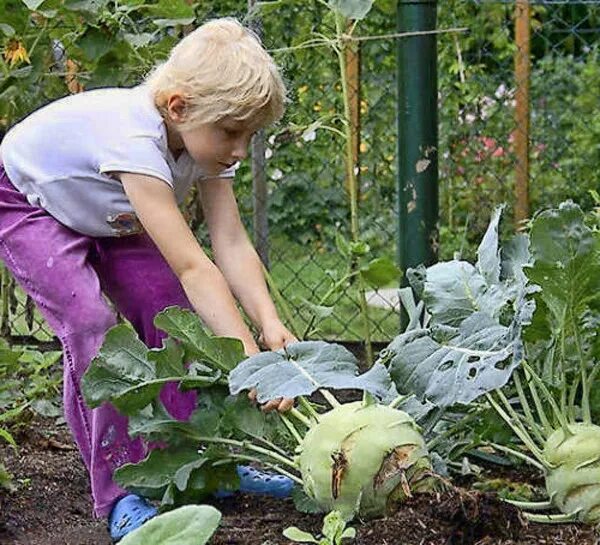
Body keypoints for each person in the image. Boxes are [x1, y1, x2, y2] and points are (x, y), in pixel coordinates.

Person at [0, 17, 296, 542]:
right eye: (231, 132)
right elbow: (194, 263)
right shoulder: (134, 140)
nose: (237, 149)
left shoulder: (202, 139)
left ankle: (202, 461)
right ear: (179, 107)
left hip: (105, 209)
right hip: (29, 201)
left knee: (171, 310)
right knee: (90, 322)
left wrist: (268, 324)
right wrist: (250, 361)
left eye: (248, 135)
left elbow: (229, 242)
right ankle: (119, 491)